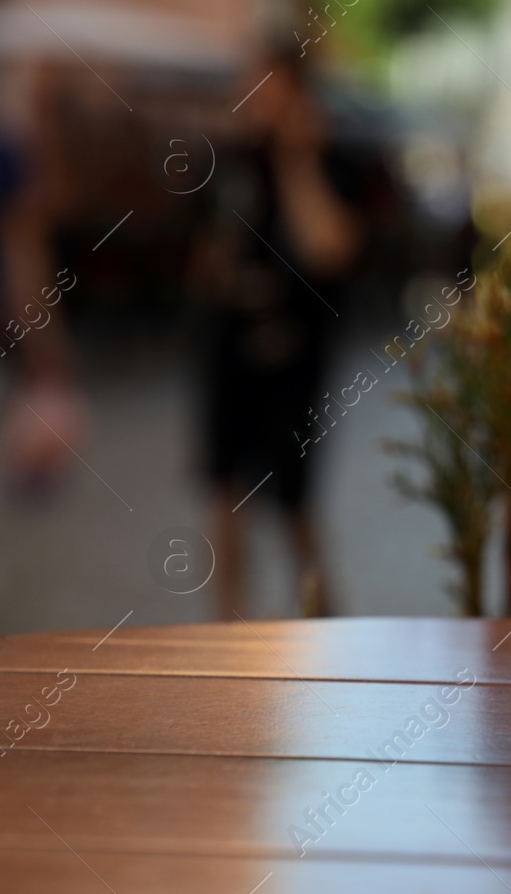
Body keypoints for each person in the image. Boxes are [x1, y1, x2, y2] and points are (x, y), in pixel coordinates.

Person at [195, 48, 361, 617]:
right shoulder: (230, 164)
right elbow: (205, 266)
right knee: (223, 491)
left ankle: (323, 621)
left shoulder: (331, 162)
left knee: (293, 502)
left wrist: (297, 159)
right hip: (230, 348)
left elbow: (328, 248)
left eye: (269, 89)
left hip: (297, 356)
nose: (256, 101)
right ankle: (227, 626)